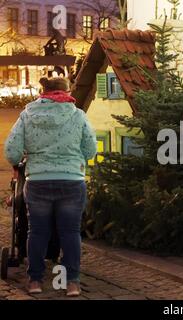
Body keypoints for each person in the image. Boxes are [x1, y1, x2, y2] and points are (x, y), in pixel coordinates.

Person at [3, 77, 97, 297]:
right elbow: (91, 150)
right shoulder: (77, 116)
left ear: (42, 91)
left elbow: (11, 151)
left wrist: (23, 158)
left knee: (37, 232)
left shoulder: (27, 115)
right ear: (66, 91)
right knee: (70, 233)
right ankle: (72, 282)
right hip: (72, 181)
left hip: (38, 182)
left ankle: (35, 281)